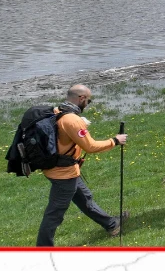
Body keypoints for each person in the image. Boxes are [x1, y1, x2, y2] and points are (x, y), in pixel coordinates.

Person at [36, 85, 129, 247]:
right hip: (63, 174)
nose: (88, 104)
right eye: (88, 101)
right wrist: (115, 141)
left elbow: (63, 135)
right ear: (81, 98)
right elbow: (91, 147)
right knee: (54, 214)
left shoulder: (58, 111)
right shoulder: (72, 120)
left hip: (61, 169)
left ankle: (111, 225)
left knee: (85, 198)